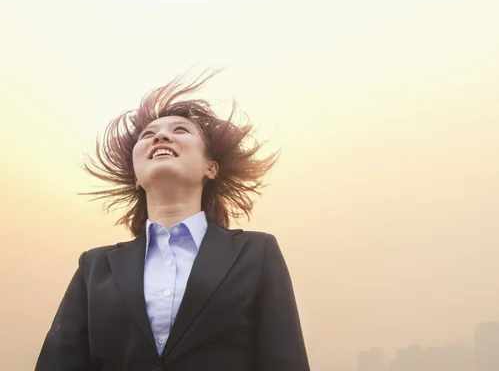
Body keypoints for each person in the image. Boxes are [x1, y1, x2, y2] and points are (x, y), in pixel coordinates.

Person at [35, 70, 310, 371]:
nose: (161, 136)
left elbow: (285, 360)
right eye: (148, 135)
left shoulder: (257, 253)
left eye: (180, 130)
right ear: (136, 177)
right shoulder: (94, 267)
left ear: (211, 168)